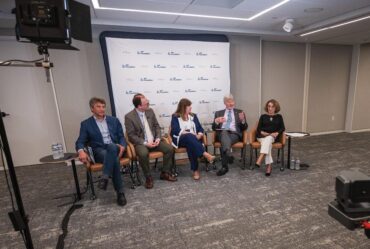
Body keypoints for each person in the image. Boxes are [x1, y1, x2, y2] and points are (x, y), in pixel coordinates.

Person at [75, 97, 127, 206]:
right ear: (92, 109)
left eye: (103, 106)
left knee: (113, 147)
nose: (102, 109)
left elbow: (121, 137)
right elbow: (80, 141)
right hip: (99, 151)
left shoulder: (114, 120)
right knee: (115, 160)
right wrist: (81, 151)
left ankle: (105, 177)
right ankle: (120, 192)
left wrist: (122, 146)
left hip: (116, 148)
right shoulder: (86, 124)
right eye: (98, 106)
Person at [125, 94, 177, 189]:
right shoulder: (129, 117)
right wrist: (145, 143)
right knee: (143, 154)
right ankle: (148, 177)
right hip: (141, 143)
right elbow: (131, 135)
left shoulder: (150, 111)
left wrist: (157, 138)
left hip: (154, 141)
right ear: (139, 106)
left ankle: (165, 173)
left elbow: (156, 126)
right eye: (146, 103)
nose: (148, 104)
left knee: (169, 149)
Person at [170, 98, 215, 180]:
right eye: (189, 106)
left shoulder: (193, 116)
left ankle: (195, 170)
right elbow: (175, 130)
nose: (191, 108)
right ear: (183, 107)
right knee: (189, 137)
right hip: (181, 139)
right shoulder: (175, 116)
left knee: (191, 145)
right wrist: (188, 133)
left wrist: (199, 134)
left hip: (193, 140)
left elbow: (200, 128)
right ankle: (204, 154)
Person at [212, 94, 248, 176]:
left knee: (224, 144)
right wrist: (217, 122)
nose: (231, 103)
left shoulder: (239, 112)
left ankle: (225, 166)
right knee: (224, 133)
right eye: (229, 101)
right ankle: (228, 154)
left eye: (232, 101)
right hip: (222, 133)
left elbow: (244, 127)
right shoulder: (218, 113)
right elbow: (214, 128)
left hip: (234, 134)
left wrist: (243, 121)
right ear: (224, 103)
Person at [255, 99, 285, 176]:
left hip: (272, 137)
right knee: (268, 142)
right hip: (261, 137)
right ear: (267, 107)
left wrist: (277, 133)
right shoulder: (263, 116)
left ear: (275, 108)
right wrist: (263, 132)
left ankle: (260, 158)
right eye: (269, 106)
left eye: (272, 106)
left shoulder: (279, 117)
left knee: (268, 139)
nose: (270, 108)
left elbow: (282, 128)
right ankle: (268, 167)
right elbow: (258, 129)